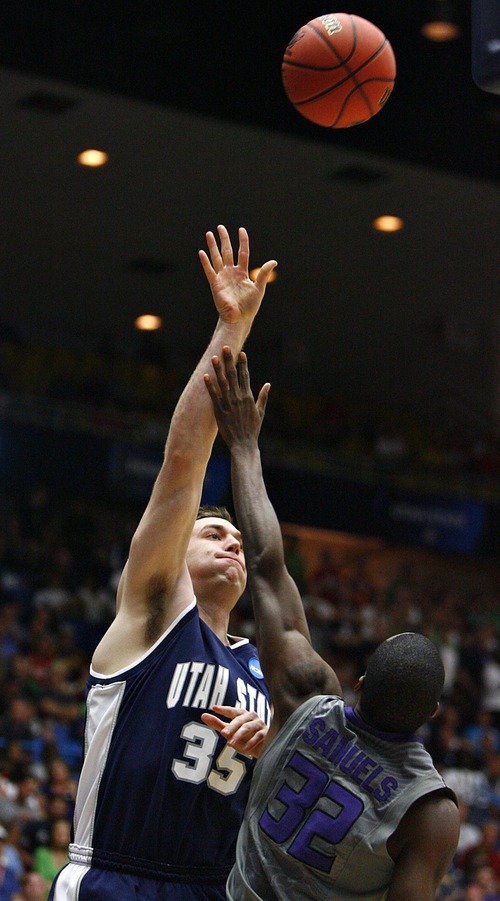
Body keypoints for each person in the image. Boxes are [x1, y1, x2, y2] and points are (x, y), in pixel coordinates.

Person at [48, 226, 277, 900]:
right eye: (213, 533)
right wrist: (230, 330)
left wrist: (272, 748)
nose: (233, 542)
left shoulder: (263, 669)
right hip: (116, 878)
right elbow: (184, 464)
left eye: (235, 538)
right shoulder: (152, 611)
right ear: (175, 553)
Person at [202, 348, 461, 901]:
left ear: (360, 681)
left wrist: (244, 445)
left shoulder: (307, 697)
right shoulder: (429, 811)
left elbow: (268, 566)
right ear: (432, 715)